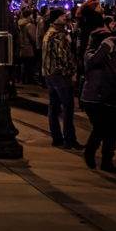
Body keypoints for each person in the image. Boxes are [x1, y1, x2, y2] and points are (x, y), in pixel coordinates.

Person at [80, 27, 116, 172]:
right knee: (100, 128)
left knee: (111, 132)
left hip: (111, 98)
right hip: (94, 98)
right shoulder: (90, 54)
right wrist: (105, 46)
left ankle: (107, 161)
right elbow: (93, 61)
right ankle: (89, 152)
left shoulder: (113, 55)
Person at [42, 10, 81, 149]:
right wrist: (71, 72)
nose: (65, 17)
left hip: (49, 73)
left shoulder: (48, 33)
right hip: (60, 75)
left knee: (54, 106)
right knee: (68, 107)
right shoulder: (59, 35)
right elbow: (63, 56)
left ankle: (57, 137)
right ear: (56, 19)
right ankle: (69, 139)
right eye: (62, 16)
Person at [18, 9, 40, 84]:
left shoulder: (20, 24)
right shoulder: (29, 25)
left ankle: (23, 79)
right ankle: (29, 80)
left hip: (23, 47)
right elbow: (33, 37)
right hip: (29, 47)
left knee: (25, 64)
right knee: (30, 64)